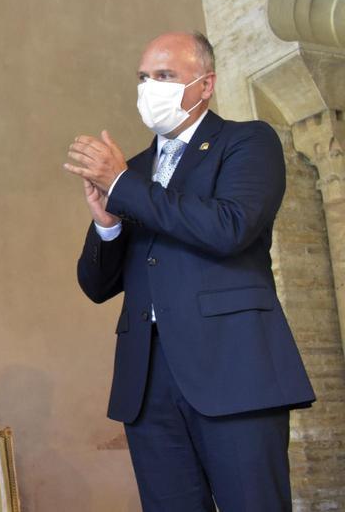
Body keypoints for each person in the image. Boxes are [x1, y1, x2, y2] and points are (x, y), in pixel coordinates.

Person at [64, 31, 315, 511]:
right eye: (143, 77)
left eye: (164, 76)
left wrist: (122, 185)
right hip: (148, 381)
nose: (148, 88)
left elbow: (229, 227)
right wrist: (107, 224)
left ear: (205, 85)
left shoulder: (247, 142)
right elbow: (96, 286)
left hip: (232, 370)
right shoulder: (132, 171)